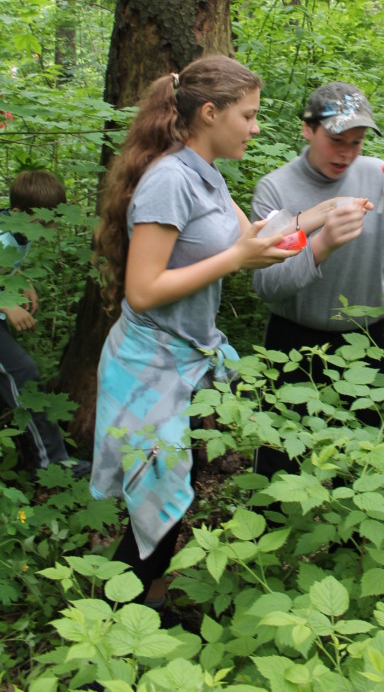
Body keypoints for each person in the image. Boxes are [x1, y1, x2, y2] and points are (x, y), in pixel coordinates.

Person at [90, 54, 304, 606]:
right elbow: (143, 290)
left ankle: (152, 604)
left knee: (171, 500)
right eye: (249, 116)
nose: (257, 128)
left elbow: (252, 238)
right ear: (210, 112)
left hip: (181, 362)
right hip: (147, 366)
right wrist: (237, 258)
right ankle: (110, 636)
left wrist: (326, 217)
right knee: (158, 511)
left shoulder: (205, 176)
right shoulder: (168, 180)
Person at [250, 81, 384, 478]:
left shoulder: (381, 174)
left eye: (357, 141)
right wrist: (321, 244)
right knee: (280, 466)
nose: (346, 153)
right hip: (292, 343)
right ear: (307, 130)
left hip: (365, 340)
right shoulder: (275, 189)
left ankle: (351, 543)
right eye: (336, 140)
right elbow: (266, 285)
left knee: (359, 466)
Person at [0, 169, 91, 478]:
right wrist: (6, 304)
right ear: (16, 212)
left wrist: (21, 279)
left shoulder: (16, 231)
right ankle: (50, 464)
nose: (48, 230)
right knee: (22, 372)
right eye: (42, 222)